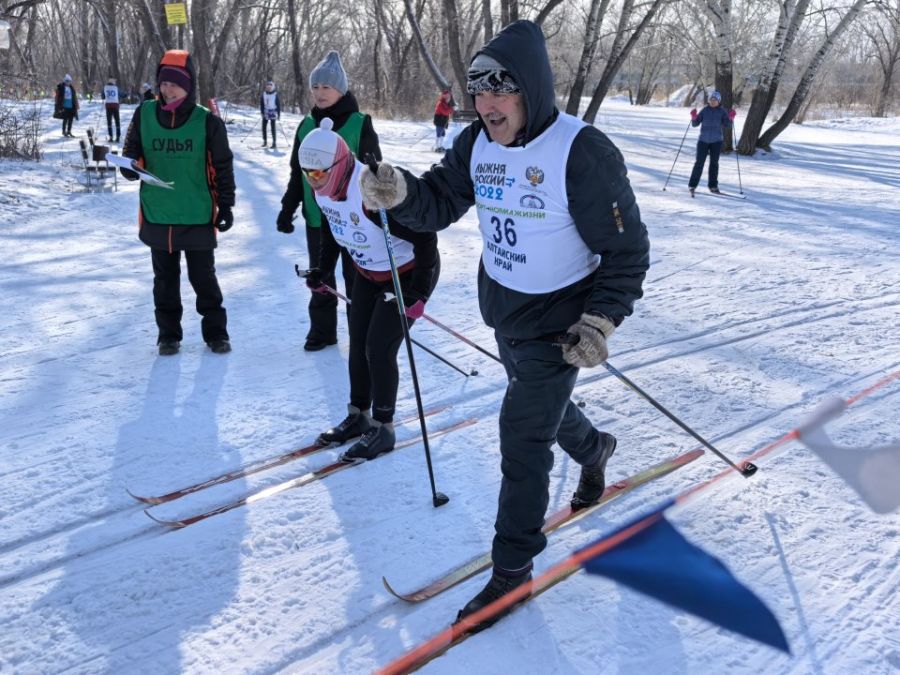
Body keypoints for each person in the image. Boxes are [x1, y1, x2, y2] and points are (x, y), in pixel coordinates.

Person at [359, 20, 649, 631]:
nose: (487, 104)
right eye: (478, 91)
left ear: (531, 91)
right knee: (539, 409)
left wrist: (600, 319)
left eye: (501, 90)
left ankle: (513, 570)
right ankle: (596, 449)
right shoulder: (477, 145)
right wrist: (400, 192)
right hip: (505, 312)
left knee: (522, 438)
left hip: (560, 324)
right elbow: (439, 201)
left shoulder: (582, 151)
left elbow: (627, 251)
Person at [300, 118, 440, 459]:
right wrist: (323, 270)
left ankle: (383, 428)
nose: (314, 181)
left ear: (341, 162)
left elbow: (425, 237)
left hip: (404, 274)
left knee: (378, 347)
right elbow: (335, 232)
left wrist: (419, 291)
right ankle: (358, 416)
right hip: (367, 273)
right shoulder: (324, 192)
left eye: (318, 173)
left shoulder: (371, 192)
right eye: (307, 174)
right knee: (358, 342)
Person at [119, 49, 235, 356]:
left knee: (203, 278)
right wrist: (128, 166)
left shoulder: (207, 122)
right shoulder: (143, 113)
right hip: (159, 212)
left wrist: (227, 205)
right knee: (165, 280)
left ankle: (216, 333)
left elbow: (222, 166)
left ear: (190, 86)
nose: (168, 89)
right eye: (164, 83)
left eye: (176, 84)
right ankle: (168, 335)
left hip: (196, 212)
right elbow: (132, 149)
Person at [276, 50, 383, 352]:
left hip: (351, 218)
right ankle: (323, 331)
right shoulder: (306, 125)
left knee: (357, 278)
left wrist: (375, 211)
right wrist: (288, 208)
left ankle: (360, 332)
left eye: (326, 87)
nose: (320, 93)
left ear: (341, 89)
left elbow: (374, 172)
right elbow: (298, 173)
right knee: (320, 275)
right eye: (315, 87)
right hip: (316, 216)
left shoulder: (359, 124)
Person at [687, 89, 736, 195]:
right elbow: (695, 124)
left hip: (716, 141)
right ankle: (692, 185)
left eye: (715, 100)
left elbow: (727, 125)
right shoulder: (705, 110)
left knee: (714, 164)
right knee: (699, 163)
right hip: (703, 141)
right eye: (711, 99)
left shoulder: (722, 111)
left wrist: (731, 118)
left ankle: (713, 186)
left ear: (719, 101)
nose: (712, 101)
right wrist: (694, 117)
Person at [432, 88, 456, 152]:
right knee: (439, 133)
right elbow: (445, 112)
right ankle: (436, 147)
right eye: (448, 97)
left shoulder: (447, 104)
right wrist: (451, 109)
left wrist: (452, 109)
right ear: (445, 97)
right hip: (439, 120)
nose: (449, 98)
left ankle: (440, 146)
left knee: (443, 134)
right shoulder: (440, 103)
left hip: (444, 120)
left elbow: (448, 111)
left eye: (449, 97)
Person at [260, 80, 281, 148]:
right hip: (266, 111)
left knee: (273, 128)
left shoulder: (275, 94)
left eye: (270, 87)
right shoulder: (264, 94)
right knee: (263, 127)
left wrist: (279, 114)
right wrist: (262, 112)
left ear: (272, 87)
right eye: (267, 87)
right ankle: (265, 142)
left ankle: (274, 143)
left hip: (273, 111)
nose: (268, 88)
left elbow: (278, 105)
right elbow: (262, 104)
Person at [102, 77, 121, 142]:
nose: (115, 82)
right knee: (117, 121)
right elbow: (121, 94)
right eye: (114, 81)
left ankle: (110, 137)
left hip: (108, 106)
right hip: (115, 106)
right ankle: (118, 137)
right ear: (112, 81)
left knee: (109, 122)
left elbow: (103, 96)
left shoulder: (105, 87)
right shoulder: (116, 88)